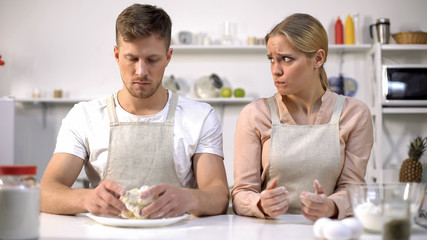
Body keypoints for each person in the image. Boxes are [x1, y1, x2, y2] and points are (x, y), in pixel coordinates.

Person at [40, 4, 229, 218]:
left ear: (168, 57)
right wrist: (86, 199)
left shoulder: (200, 116)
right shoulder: (84, 116)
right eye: (132, 58)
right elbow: (46, 192)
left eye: (152, 60)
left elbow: (219, 197)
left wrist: (188, 198)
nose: (141, 71)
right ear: (116, 55)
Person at [231, 13, 373, 221]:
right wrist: (260, 203)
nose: (275, 70)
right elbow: (241, 193)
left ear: (318, 58)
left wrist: (331, 206)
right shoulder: (255, 114)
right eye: (271, 59)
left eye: (286, 59)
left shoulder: (354, 114)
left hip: (326, 230)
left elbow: (353, 189)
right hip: (267, 230)